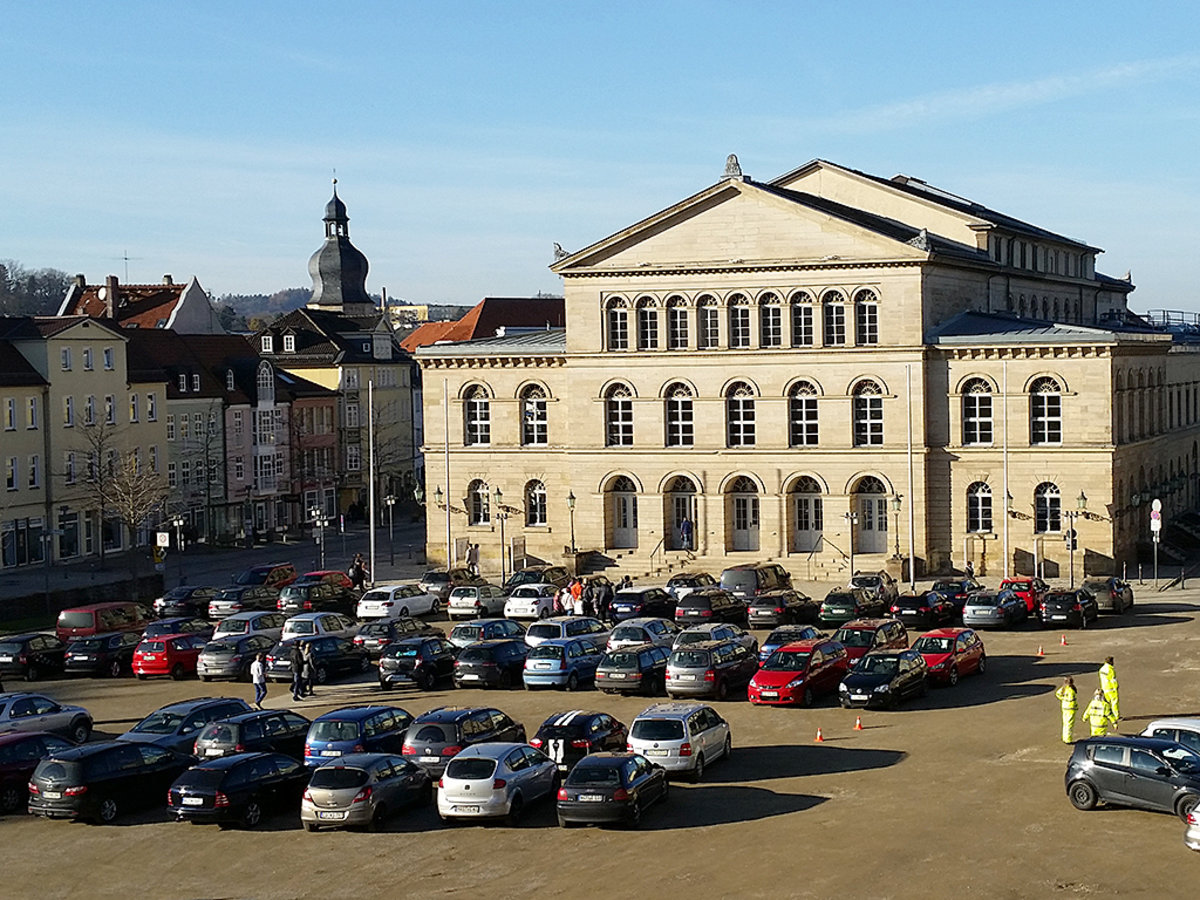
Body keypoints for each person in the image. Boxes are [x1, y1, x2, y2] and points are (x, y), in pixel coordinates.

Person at [1055, 676, 1078, 744]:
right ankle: (1068, 739)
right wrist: (1076, 706)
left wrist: (1063, 699)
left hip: (1064, 707)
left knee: (1065, 723)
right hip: (1070, 709)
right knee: (1069, 724)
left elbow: (1057, 694)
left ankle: (1064, 737)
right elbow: (1072, 701)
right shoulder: (1071, 690)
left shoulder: (1063, 688)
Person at [1099, 656, 1120, 721]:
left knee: (1106, 703)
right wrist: (1116, 687)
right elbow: (1113, 680)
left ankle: (1105, 714)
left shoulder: (1102, 669)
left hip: (1104, 688)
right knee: (1114, 702)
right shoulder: (1111, 670)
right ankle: (1116, 716)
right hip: (1111, 688)